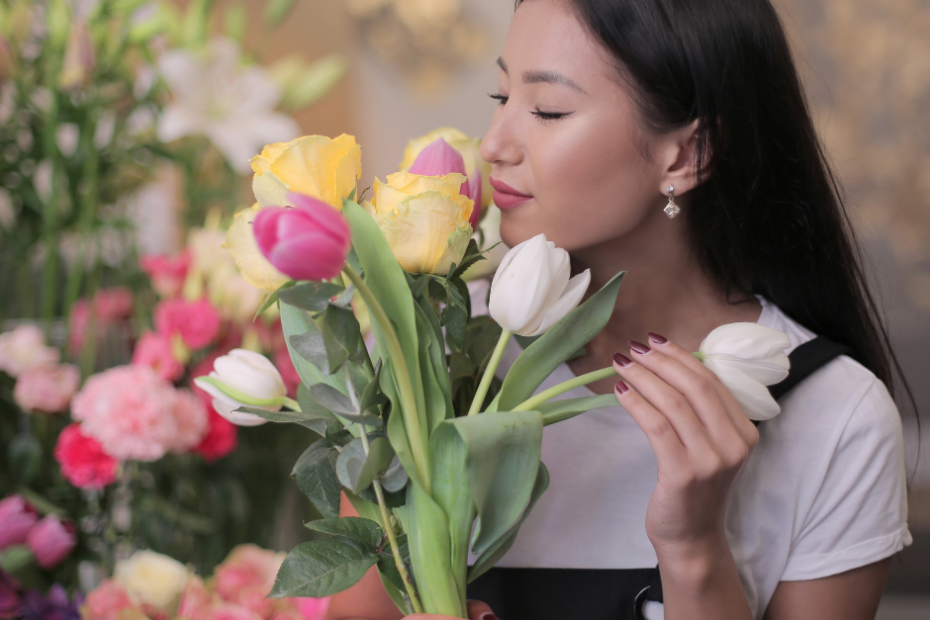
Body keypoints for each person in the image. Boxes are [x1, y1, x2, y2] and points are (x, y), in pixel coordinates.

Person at [326, 0, 912, 618]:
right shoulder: (423, 356)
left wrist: (693, 547)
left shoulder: (836, 419)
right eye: (502, 99)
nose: (494, 145)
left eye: (548, 110)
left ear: (688, 155)